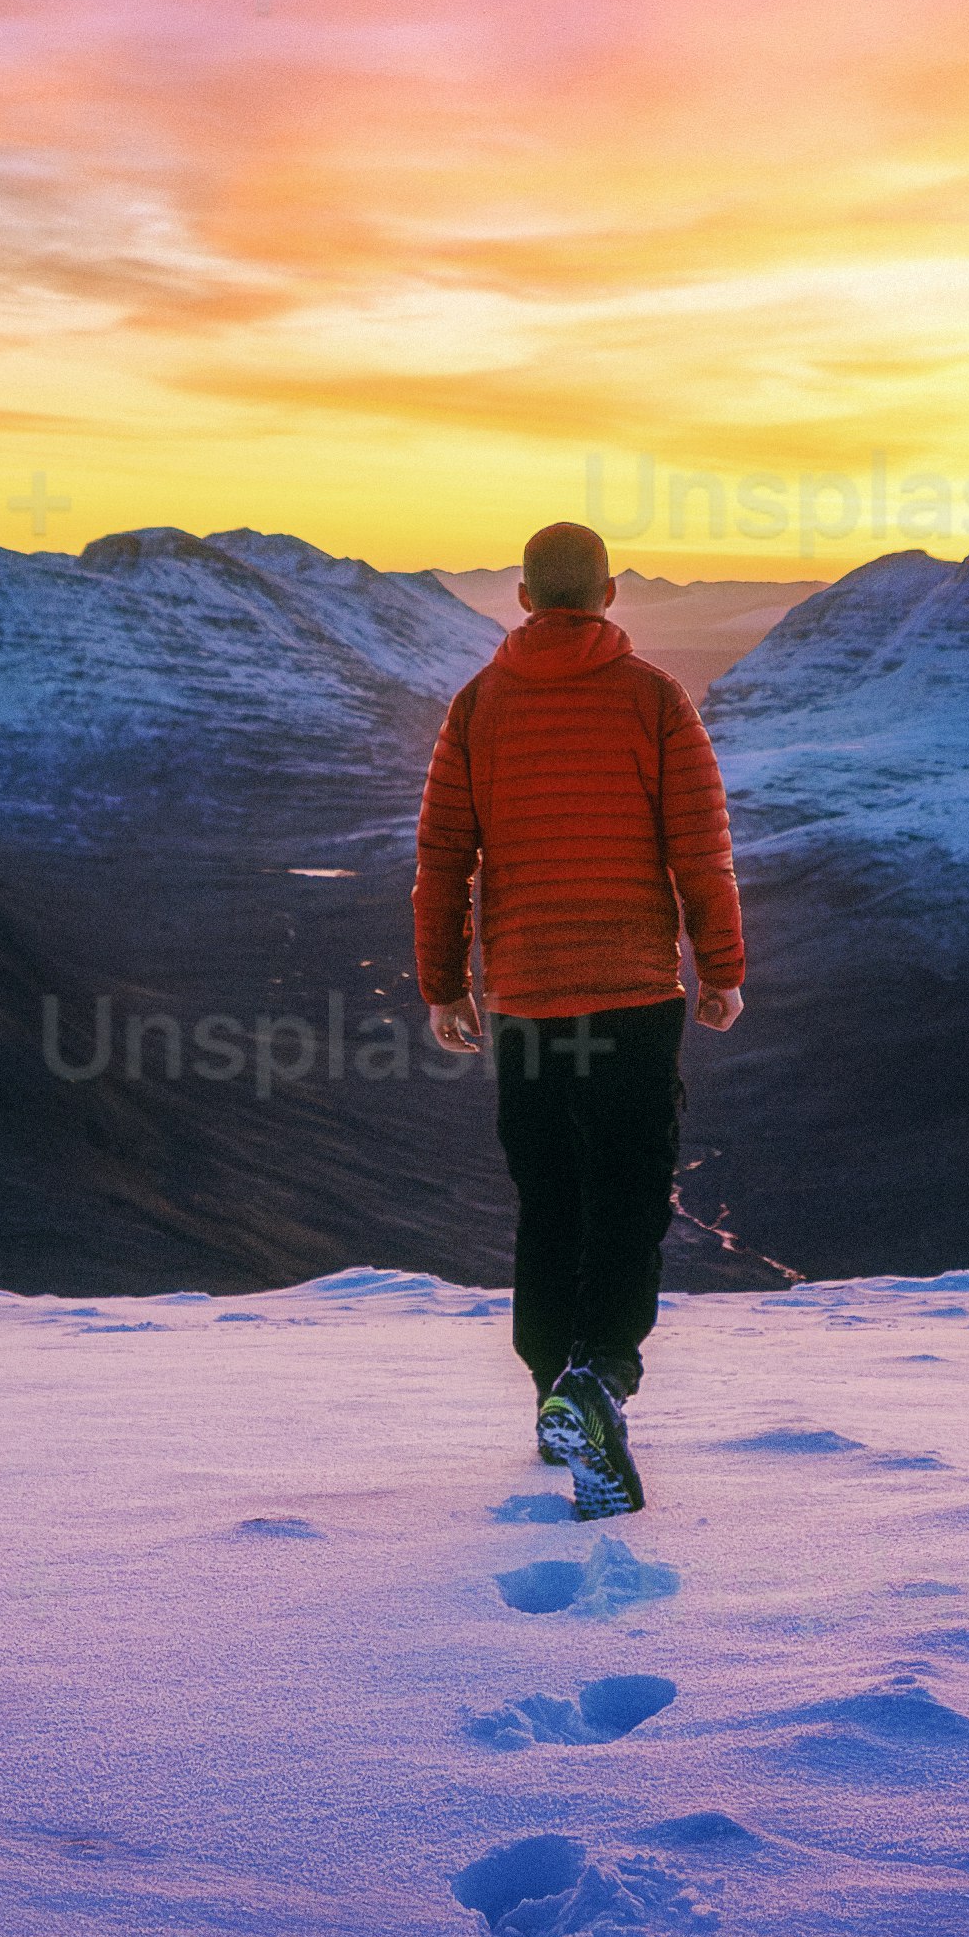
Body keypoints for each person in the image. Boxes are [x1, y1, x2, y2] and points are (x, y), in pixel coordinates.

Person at [414, 517, 745, 1511]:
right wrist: (722, 966)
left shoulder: (476, 707)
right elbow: (700, 847)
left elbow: (441, 861)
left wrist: (444, 985)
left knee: (549, 1199)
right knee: (630, 1196)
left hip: (527, 1001)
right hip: (635, 997)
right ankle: (597, 1379)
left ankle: (552, 1389)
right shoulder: (653, 700)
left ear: (521, 596)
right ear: (608, 594)